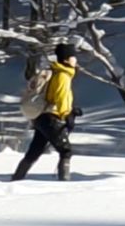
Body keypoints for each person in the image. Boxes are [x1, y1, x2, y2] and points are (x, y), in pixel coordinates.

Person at [12, 42, 81, 182]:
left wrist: (71, 109)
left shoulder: (56, 72)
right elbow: (59, 97)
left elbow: (52, 96)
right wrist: (66, 114)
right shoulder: (63, 74)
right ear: (66, 59)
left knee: (35, 151)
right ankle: (65, 183)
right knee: (65, 150)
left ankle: (16, 180)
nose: (76, 60)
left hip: (41, 118)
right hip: (52, 117)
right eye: (73, 56)